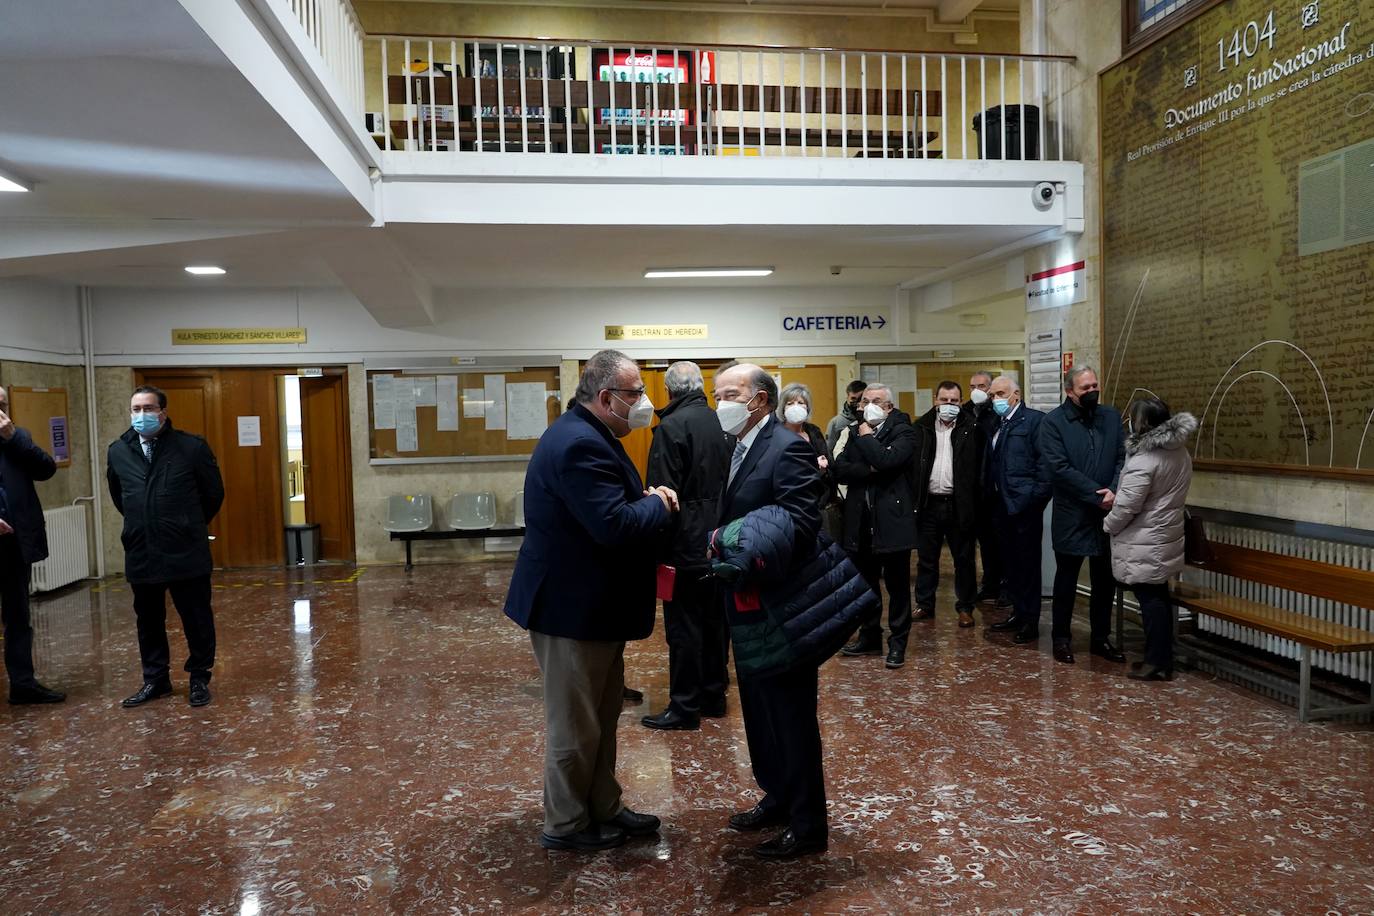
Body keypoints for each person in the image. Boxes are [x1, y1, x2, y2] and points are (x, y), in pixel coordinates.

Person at [505, 350, 679, 852]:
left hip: (592, 608)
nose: (644, 403)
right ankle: (564, 824)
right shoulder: (580, 443)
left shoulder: (590, 433)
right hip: (570, 611)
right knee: (575, 727)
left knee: (600, 719)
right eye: (635, 394)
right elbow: (614, 525)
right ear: (606, 398)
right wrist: (657, 503)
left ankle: (602, 806)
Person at [714, 363, 829, 859]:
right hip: (748, 602)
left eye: (730, 394)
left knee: (791, 715)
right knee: (760, 711)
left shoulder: (788, 449)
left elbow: (803, 523)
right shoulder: (737, 447)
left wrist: (743, 545)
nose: (721, 402)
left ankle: (807, 826)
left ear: (759, 399)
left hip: (782, 605)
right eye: (717, 393)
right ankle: (777, 794)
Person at [107, 385, 224, 708]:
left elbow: (213, 495)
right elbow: (120, 497)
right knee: (148, 620)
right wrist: (144, 523)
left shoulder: (190, 447)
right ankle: (155, 680)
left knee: (196, 617)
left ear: (163, 412)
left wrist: (185, 523)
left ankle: (199, 676)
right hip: (142, 549)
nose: (141, 415)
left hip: (184, 549)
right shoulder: (118, 450)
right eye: (135, 409)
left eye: (147, 408)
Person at [642, 361, 732, 731]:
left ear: (669, 392)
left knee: (684, 630)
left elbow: (663, 495)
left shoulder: (670, 428)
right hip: (722, 542)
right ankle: (714, 696)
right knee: (716, 624)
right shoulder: (723, 424)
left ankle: (684, 707)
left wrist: (655, 549)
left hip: (685, 547)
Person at [1039, 366, 1127, 665]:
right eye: (1084, 388)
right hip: (1073, 512)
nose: (1091, 391)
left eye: (1094, 385)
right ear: (1069, 391)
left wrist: (1113, 490)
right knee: (1067, 579)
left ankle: (1100, 638)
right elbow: (1058, 468)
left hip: (1107, 513)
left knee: (1105, 580)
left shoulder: (1111, 417)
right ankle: (1061, 638)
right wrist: (1096, 494)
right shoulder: (1053, 422)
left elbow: (1121, 457)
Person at [1104, 400, 1196, 681]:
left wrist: (1108, 524)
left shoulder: (1145, 458)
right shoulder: (1178, 451)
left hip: (1146, 537)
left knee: (1150, 599)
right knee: (1158, 596)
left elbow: (1128, 505)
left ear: (1140, 423)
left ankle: (1157, 662)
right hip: (1163, 534)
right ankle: (1160, 658)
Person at [832, 384, 918, 669]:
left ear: (889, 407)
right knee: (866, 587)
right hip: (860, 523)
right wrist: (870, 469)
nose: (869, 406)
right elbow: (840, 468)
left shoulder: (904, 431)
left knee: (897, 587)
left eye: (877, 401)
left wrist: (869, 441)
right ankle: (870, 636)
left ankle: (898, 642)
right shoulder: (854, 430)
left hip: (892, 522)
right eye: (865, 401)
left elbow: (888, 460)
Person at [0, 386, 65, 705]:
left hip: (13, 545)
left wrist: (14, 437)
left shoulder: (16, 437)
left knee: (17, 617)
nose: (1, 411)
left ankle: (22, 684)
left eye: (3, 404)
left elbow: (46, 469)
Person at [983, 376, 1052, 645]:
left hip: (1024, 507)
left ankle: (1030, 621)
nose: (995, 399)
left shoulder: (1035, 421)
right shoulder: (998, 423)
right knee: (1010, 566)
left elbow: (1045, 466)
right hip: (1001, 506)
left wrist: (1035, 500)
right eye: (992, 395)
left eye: (1000, 393)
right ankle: (1018, 612)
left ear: (1016, 394)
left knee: (1028, 567)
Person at [912, 380, 984, 629]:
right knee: (926, 559)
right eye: (944, 400)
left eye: (954, 401)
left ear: (961, 401)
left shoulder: (972, 427)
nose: (949, 405)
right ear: (935, 400)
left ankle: (965, 607)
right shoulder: (921, 427)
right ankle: (925, 604)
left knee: (963, 559)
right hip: (929, 504)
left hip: (959, 504)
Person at [964, 370, 1005, 606]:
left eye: (981, 386)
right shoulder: (966, 412)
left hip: (995, 487)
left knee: (1002, 541)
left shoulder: (998, 412)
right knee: (985, 542)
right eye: (972, 386)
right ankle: (989, 584)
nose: (976, 390)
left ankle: (1006, 586)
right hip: (974, 489)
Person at [778, 382, 833, 502]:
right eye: (790, 403)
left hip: (817, 497)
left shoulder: (813, 431)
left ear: (807, 408)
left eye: (801, 403)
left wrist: (824, 466)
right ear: (783, 408)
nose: (795, 407)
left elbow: (829, 462)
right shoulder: (776, 433)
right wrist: (813, 465)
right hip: (788, 498)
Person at [825, 379, 868, 450]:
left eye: (860, 399)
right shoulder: (836, 423)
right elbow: (829, 449)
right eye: (853, 398)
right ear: (847, 397)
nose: (857, 403)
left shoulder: (872, 419)